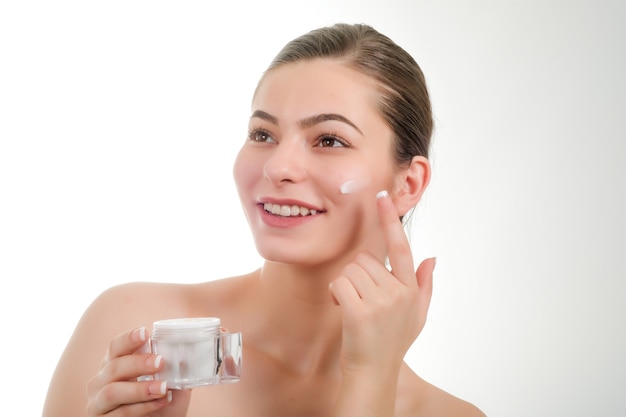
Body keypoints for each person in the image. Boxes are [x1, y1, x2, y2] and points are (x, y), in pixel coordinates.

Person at [42, 23, 485, 417]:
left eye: (329, 139)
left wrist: (370, 378)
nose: (278, 166)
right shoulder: (135, 334)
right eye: (263, 134)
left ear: (409, 183)